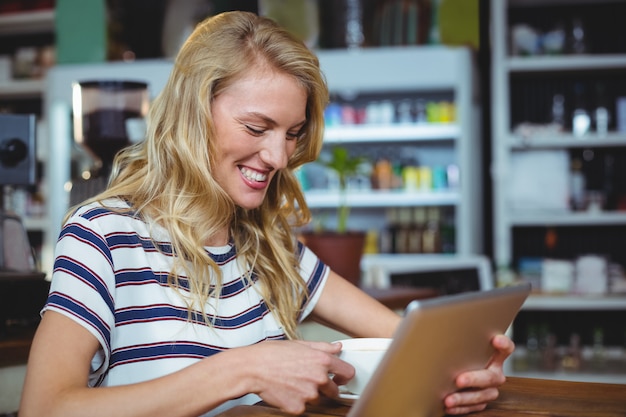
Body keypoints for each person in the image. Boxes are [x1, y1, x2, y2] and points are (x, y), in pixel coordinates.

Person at [19, 11, 514, 417]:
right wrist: (244, 370)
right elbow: (46, 407)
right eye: (257, 127)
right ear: (194, 112)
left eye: (292, 132)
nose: (279, 157)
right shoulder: (102, 235)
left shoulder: (268, 245)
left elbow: (405, 339)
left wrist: (467, 371)